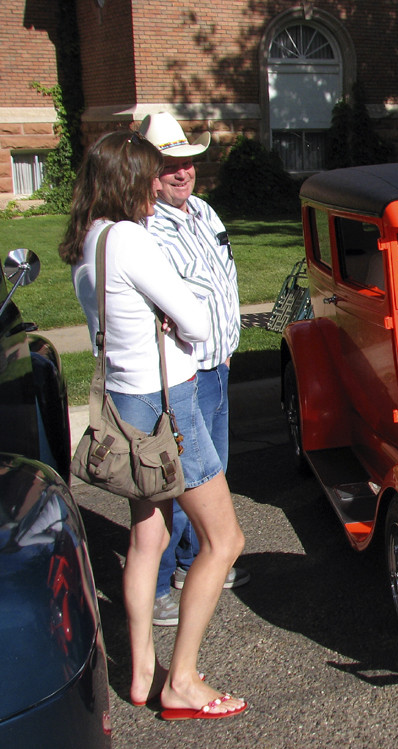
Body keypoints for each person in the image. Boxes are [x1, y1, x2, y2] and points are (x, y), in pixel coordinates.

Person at [59, 130, 247, 720]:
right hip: (170, 405)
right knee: (224, 541)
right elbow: (193, 318)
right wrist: (175, 320)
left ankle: (142, 668)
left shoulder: (90, 240)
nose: (157, 183)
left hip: (126, 400)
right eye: (148, 174)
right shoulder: (133, 242)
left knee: (148, 537)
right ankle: (182, 680)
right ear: (125, 181)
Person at [137, 112, 248, 627]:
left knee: (213, 472)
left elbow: (222, 278)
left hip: (217, 366)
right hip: (183, 374)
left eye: (187, 164)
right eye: (169, 166)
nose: (182, 174)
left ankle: (191, 563)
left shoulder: (204, 212)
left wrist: (225, 350)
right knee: (178, 480)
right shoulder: (145, 227)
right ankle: (161, 586)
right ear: (149, 173)